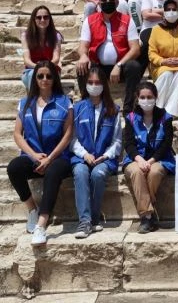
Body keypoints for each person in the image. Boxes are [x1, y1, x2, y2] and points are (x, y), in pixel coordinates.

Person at [7, 60, 73, 246]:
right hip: (34, 156)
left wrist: (49, 158)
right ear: (34, 78)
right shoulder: (25, 104)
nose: (44, 79)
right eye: (40, 76)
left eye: (49, 76)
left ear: (54, 79)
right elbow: (17, 134)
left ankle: (41, 225)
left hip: (58, 157)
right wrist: (34, 155)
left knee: (53, 172)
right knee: (14, 167)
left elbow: (68, 135)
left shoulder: (64, 102)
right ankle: (32, 210)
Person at [70, 66, 121, 239]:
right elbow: (72, 139)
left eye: (97, 82)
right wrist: (85, 154)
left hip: (105, 158)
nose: (94, 85)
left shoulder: (113, 109)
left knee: (98, 174)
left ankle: (94, 216)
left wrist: (105, 156)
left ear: (104, 84)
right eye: (90, 82)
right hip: (81, 157)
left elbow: (117, 141)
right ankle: (85, 221)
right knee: (80, 172)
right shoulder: (77, 109)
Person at [122, 81, 176, 234]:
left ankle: (148, 214)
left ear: (156, 97)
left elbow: (166, 144)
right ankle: (147, 216)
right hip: (135, 158)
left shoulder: (165, 117)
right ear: (137, 98)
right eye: (143, 97)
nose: (146, 100)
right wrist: (139, 160)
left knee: (154, 172)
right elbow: (129, 143)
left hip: (159, 158)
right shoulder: (131, 118)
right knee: (137, 172)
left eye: (149, 97)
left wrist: (151, 161)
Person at [78, 0, 142, 113]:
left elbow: (135, 49)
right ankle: (86, 105)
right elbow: (82, 46)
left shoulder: (127, 20)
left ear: (117, 2)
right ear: (99, 3)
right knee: (81, 66)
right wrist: (83, 56)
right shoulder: (90, 20)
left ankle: (129, 108)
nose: (107, 1)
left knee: (134, 66)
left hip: (120, 67)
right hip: (98, 66)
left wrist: (119, 65)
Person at [139, 0, 177, 72]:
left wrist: (153, 10)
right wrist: (165, 13)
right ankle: (140, 71)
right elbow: (146, 16)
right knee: (148, 43)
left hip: (167, 29)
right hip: (149, 29)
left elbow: (175, 15)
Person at [21, 6, 63, 90]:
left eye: (46, 17)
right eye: (39, 17)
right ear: (34, 19)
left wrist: (45, 68)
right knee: (34, 75)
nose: (42, 20)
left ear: (50, 19)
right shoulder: (26, 36)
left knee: (48, 76)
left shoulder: (56, 36)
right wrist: (39, 68)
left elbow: (56, 59)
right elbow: (27, 60)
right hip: (32, 69)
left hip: (50, 68)